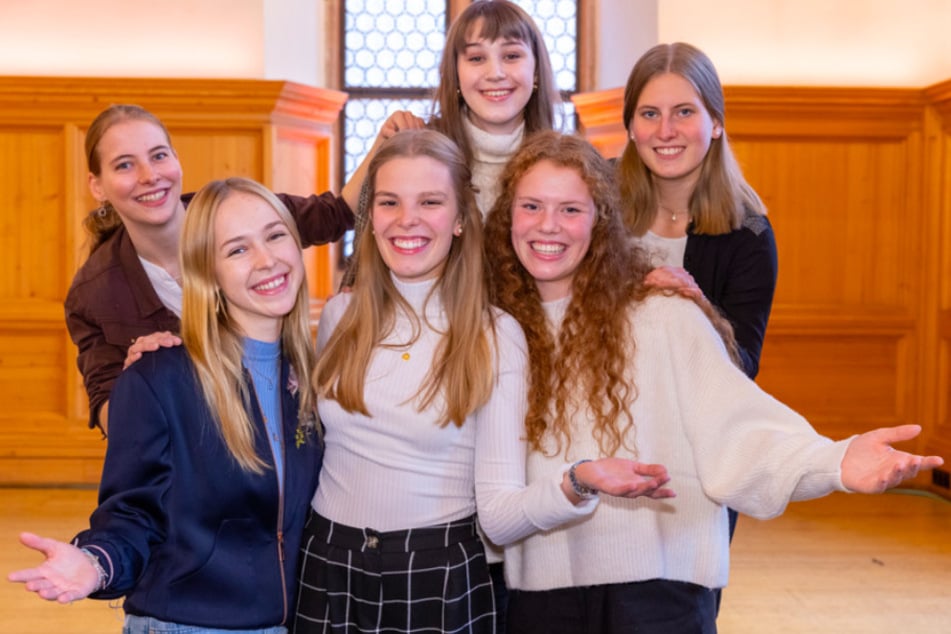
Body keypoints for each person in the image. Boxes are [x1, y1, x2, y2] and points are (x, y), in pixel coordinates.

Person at [482, 131, 944, 634]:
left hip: (660, 593)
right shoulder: (493, 329)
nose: (548, 225)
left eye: (571, 209)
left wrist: (834, 461)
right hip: (537, 600)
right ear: (508, 218)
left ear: (602, 219)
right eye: (531, 206)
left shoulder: (660, 315)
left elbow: (738, 431)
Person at [291, 129, 672, 634]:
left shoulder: (494, 334)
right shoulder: (340, 314)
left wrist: (579, 481)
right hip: (326, 561)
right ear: (371, 217)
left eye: (430, 201)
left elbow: (498, 517)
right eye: (390, 202)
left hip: (435, 572)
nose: (407, 219)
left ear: (459, 221)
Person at [9, 177, 324, 632]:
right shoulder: (158, 378)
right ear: (206, 272)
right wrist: (96, 563)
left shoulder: (314, 377)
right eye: (237, 250)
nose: (267, 259)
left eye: (275, 235)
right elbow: (133, 514)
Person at [67, 104, 354, 435]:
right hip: (196, 457)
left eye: (159, 156)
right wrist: (137, 383)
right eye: (125, 165)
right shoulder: (91, 294)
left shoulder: (237, 213)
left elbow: (340, 211)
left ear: (176, 159)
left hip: (288, 434)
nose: (149, 175)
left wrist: (388, 143)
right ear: (98, 186)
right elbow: (108, 406)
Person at [341, 0, 560, 284]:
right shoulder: (416, 154)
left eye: (511, 55)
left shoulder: (562, 163)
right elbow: (363, 265)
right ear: (455, 73)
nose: (495, 73)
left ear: (537, 72)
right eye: (477, 58)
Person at [617, 42, 777, 381]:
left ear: (716, 123)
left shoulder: (751, 233)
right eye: (650, 114)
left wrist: (697, 309)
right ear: (631, 127)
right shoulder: (593, 197)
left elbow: (743, 369)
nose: (665, 131)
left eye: (684, 112)